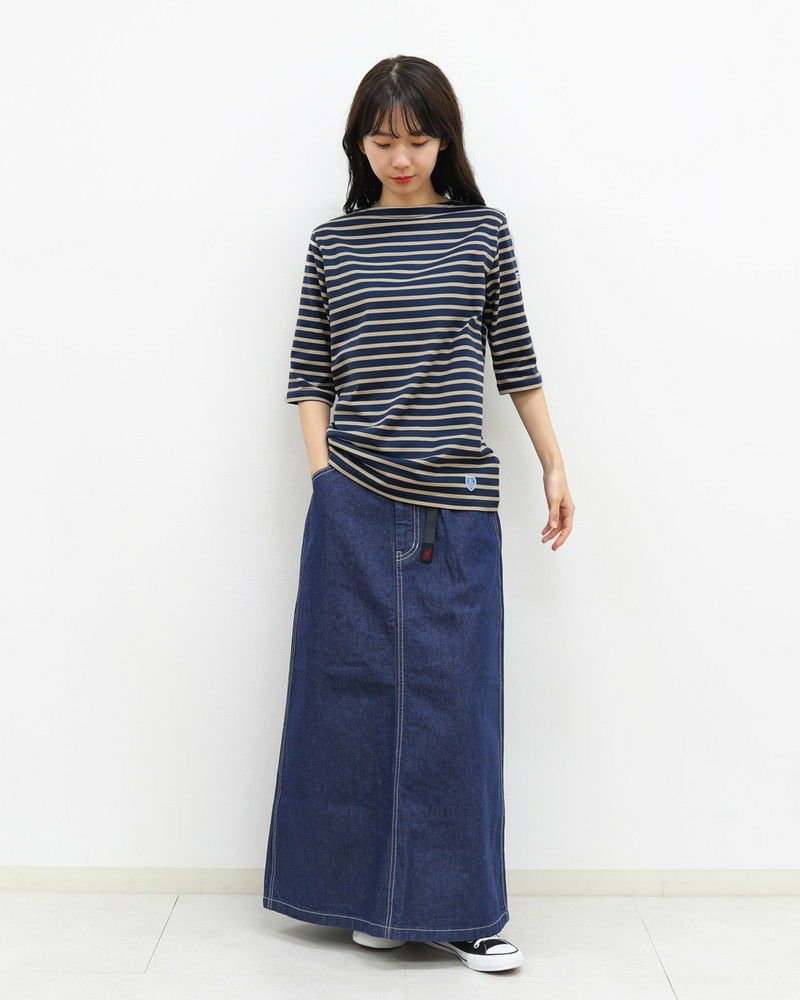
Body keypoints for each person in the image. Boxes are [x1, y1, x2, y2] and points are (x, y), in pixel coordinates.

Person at [263, 54, 574, 974]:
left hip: (455, 508)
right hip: (352, 499)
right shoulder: (333, 242)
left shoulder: (483, 232)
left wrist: (556, 464)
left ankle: (464, 913)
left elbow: (516, 360)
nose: (400, 159)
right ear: (359, 145)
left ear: (446, 142)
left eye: (418, 139)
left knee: (455, 709)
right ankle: (374, 904)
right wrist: (325, 480)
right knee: (347, 705)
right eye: (382, 140)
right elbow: (309, 374)